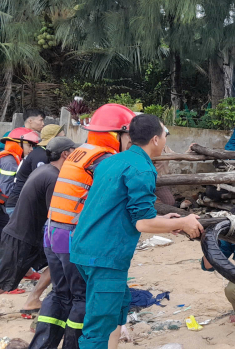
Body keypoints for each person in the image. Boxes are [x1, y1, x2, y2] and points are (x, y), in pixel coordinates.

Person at [69, 114, 204, 349]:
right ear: (154, 139)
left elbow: (119, 208)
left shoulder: (112, 161)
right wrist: (182, 223)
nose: (164, 141)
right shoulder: (143, 168)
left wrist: (163, 219)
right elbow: (142, 223)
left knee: (117, 309)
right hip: (105, 256)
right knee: (98, 327)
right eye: (164, 136)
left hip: (85, 247)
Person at [30, 104, 138, 349]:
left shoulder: (81, 151)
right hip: (72, 236)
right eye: (128, 135)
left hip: (52, 232)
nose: (131, 141)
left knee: (60, 293)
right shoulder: (103, 159)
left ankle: (41, 345)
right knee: (83, 299)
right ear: (116, 134)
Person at [0, 138, 76, 322]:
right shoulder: (53, 176)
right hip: (21, 235)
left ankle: (33, 299)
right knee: (4, 281)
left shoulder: (45, 170)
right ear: (65, 154)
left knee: (56, 262)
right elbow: (56, 212)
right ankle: (33, 299)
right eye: (74, 152)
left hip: (31, 234)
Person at [6, 124, 65, 211]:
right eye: (63, 137)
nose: (65, 140)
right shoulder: (41, 156)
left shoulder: (43, 154)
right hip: (20, 205)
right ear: (54, 139)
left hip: (24, 203)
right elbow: (41, 183)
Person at [0, 128, 40, 228]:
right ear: (18, 143)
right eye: (29, 145)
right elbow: (8, 189)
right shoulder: (9, 161)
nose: (31, 149)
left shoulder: (14, 158)